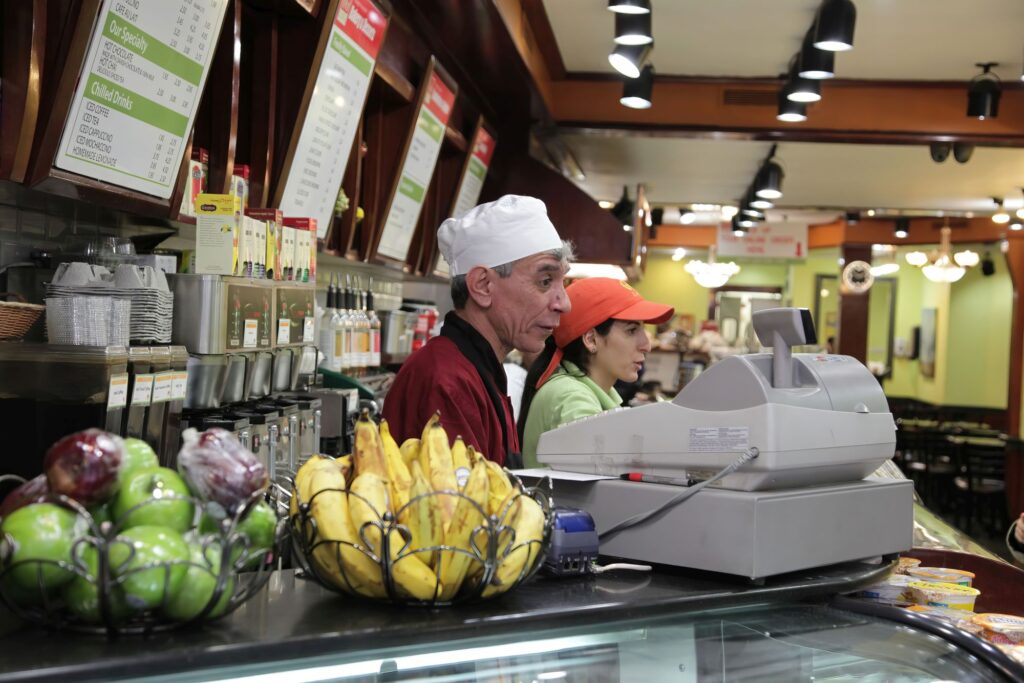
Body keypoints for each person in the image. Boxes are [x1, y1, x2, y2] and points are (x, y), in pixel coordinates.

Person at [382, 195, 573, 467]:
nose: (564, 304)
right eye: (545, 281)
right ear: (482, 286)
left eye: (562, 281)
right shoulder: (446, 381)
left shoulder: (479, 369)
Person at [518, 277, 674, 468]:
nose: (646, 345)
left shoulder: (581, 390)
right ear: (591, 340)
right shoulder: (571, 397)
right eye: (631, 331)